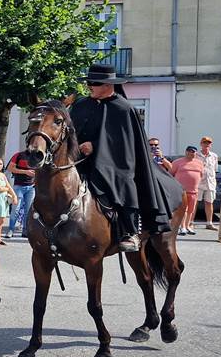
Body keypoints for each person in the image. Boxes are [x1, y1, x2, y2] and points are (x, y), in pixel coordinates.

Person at [70, 64, 183, 252]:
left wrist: (95, 146)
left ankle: (129, 232)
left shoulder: (123, 109)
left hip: (115, 162)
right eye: (88, 82)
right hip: (79, 160)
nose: (89, 86)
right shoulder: (80, 105)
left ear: (108, 85)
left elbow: (126, 143)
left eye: (94, 83)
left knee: (123, 181)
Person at [169, 146, 204, 235]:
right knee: (183, 210)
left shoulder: (200, 163)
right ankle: (182, 227)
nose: (190, 153)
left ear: (196, 153)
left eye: (193, 152)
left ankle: (188, 226)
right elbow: (171, 174)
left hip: (194, 191)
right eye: (189, 151)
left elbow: (201, 175)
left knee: (191, 210)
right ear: (185, 152)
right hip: (181, 191)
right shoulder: (177, 162)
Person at [7, 149, 37, 238]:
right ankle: (10, 230)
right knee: (15, 209)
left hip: (31, 187)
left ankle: (25, 231)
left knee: (28, 211)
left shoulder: (37, 157)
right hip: (18, 186)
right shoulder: (19, 155)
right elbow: (10, 168)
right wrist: (25, 171)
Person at [196, 136, 220, 231]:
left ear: (211, 145)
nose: (206, 145)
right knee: (195, 203)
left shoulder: (214, 156)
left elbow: (215, 170)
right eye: (204, 143)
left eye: (208, 143)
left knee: (209, 203)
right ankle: (190, 222)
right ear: (201, 144)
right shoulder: (196, 155)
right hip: (198, 183)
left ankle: (209, 223)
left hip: (210, 183)